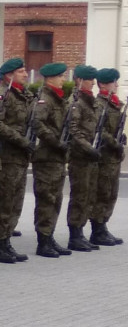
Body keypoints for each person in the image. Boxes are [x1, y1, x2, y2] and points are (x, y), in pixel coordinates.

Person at [0, 58, 33, 263]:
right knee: (3, 202)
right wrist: (20, 140)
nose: (25, 74)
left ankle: (6, 241)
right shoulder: (1, 95)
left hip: (19, 157)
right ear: (8, 75)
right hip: (7, 156)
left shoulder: (22, 95)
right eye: (20, 71)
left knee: (15, 201)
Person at [31, 62, 72, 257]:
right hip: (46, 157)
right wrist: (55, 142)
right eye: (61, 76)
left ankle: (50, 236)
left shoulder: (59, 99)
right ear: (50, 78)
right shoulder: (45, 99)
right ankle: (43, 240)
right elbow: (37, 124)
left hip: (57, 157)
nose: (64, 79)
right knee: (46, 199)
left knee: (56, 199)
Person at [65, 65, 102, 252]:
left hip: (90, 156)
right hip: (80, 156)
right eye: (89, 79)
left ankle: (81, 232)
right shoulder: (76, 102)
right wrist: (89, 148)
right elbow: (74, 130)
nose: (93, 83)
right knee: (79, 195)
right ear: (79, 80)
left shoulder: (90, 101)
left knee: (88, 195)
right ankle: (74, 235)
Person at [91, 68, 124, 245]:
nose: (116, 85)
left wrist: (121, 138)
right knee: (102, 192)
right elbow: (99, 130)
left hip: (113, 156)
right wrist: (114, 142)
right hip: (104, 155)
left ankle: (103, 226)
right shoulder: (100, 104)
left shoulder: (114, 103)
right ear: (102, 84)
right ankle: (97, 230)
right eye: (113, 82)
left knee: (112, 193)